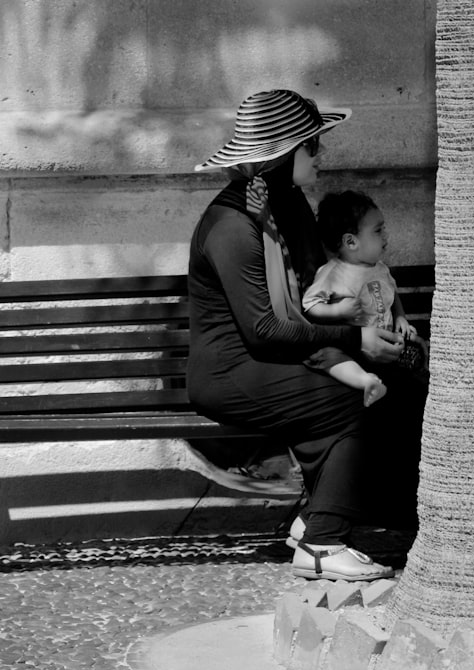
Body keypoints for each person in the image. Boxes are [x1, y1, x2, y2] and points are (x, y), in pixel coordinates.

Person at [187, 89, 425, 581]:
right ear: (280, 155)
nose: (321, 154)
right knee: (352, 399)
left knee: (402, 381)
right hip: (232, 372)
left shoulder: (288, 203)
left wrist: (381, 327)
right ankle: (321, 544)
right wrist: (357, 344)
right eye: (311, 146)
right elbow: (264, 330)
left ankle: (321, 518)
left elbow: (322, 289)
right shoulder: (231, 225)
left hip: (273, 359)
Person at [302, 190, 427, 405]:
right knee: (329, 356)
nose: (385, 235)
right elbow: (309, 304)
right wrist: (338, 311)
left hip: (385, 345)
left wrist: (400, 317)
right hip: (355, 350)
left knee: (417, 347)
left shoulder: (379, 268)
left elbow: (392, 292)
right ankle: (365, 381)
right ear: (351, 242)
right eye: (378, 230)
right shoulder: (333, 273)